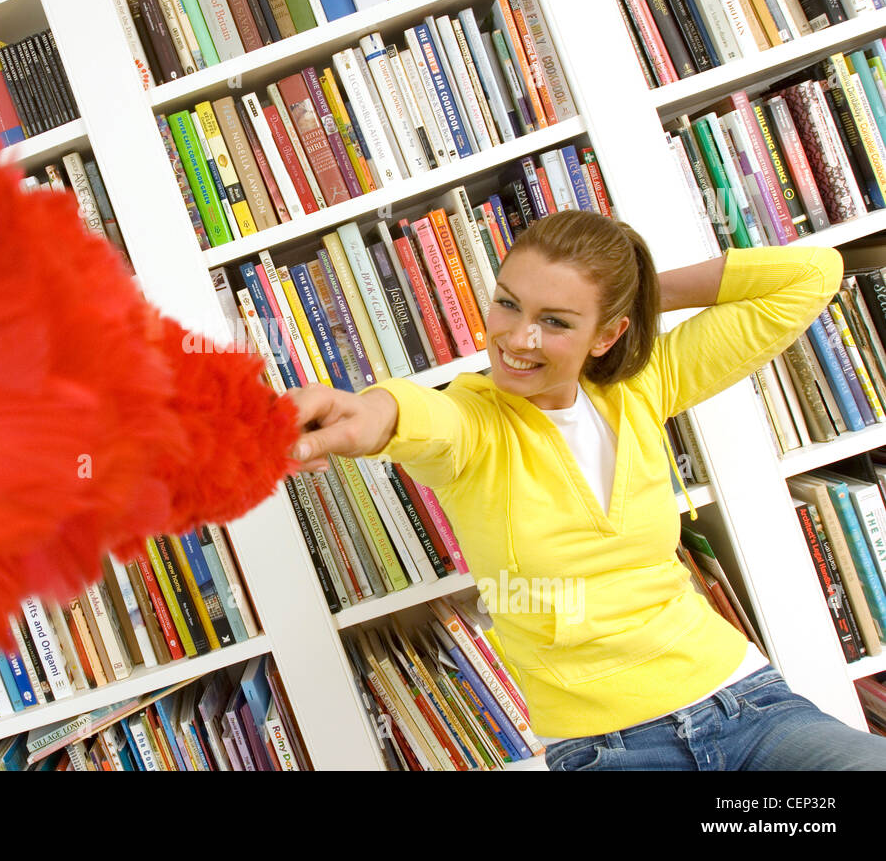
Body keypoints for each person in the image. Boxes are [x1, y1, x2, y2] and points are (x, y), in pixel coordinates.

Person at [288, 209, 886, 770]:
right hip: (611, 749)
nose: (518, 338)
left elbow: (813, 274)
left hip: (749, 704)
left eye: (556, 320)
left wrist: (634, 294)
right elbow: (418, 417)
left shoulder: (643, 386)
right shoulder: (476, 422)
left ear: (606, 335)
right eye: (508, 305)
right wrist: (369, 414)